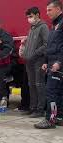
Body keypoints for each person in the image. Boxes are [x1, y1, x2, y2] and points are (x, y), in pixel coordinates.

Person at [35, 0, 63, 129]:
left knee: (51, 92)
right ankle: (58, 117)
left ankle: (49, 120)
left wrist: (59, 62)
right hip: (52, 63)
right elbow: (51, 46)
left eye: (49, 10)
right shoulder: (54, 25)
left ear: (58, 9)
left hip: (58, 65)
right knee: (58, 92)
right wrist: (46, 61)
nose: (47, 13)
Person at [21, 7, 49, 118]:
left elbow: (46, 44)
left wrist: (35, 53)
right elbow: (31, 44)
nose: (29, 19)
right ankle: (32, 108)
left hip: (38, 60)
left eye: (31, 16)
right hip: (29, 61)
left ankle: (40, 109)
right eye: (28, 17)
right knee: (31, 85)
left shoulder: (43, 27)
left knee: (39, 85)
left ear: (37, 15)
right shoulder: (32, 28)